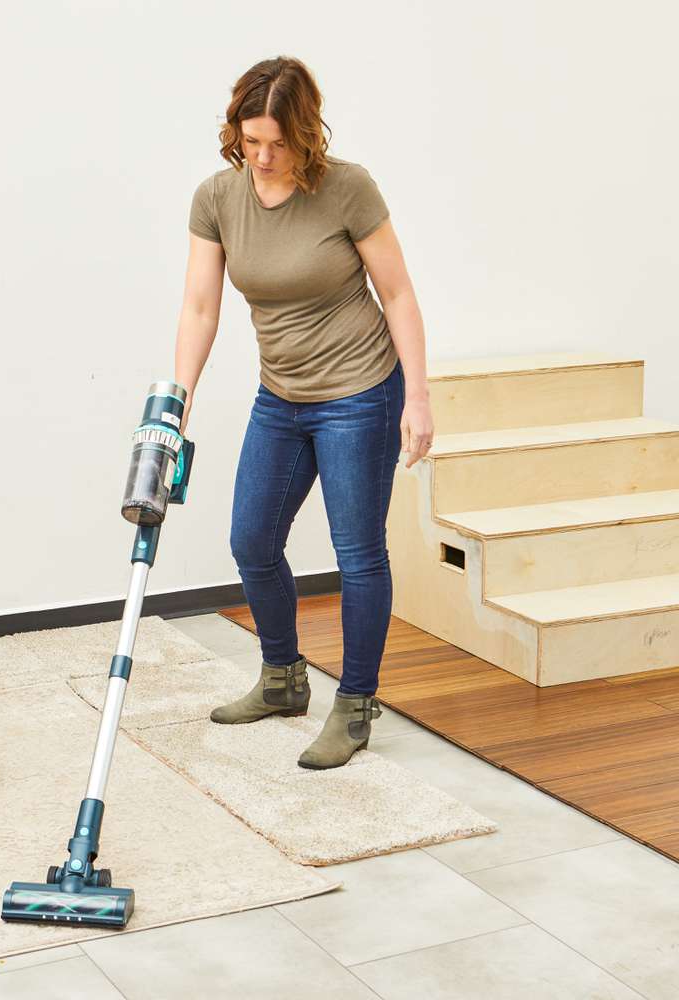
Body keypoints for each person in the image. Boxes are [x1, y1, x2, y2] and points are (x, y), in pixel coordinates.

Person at [173, 55, 435, 770]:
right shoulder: (217, 198)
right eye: (251, 140)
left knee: (358, 553)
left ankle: (354, 705)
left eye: (278, 143)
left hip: (359, 393)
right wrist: (176, 405)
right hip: (281, 397)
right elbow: (201, 307)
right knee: (251, 542)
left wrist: (417, 396)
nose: (262, 156)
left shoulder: (345, 188)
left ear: (305, 132)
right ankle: (283, 679)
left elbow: (399, 294)